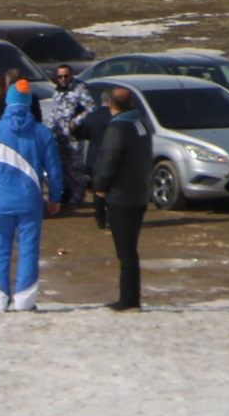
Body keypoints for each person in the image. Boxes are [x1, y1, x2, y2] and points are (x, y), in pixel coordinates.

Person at [0, 80, 64, 312]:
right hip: (31, 202)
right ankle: (24, 300)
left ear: (8, 102)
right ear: (29, 103)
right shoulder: (42, 133)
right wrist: (56, 197)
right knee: (29, 250)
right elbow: (54, 169)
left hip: (1, 203)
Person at [86, 86, 154, 311]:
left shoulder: (117, 128)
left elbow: (108, 159)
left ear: (111, 105)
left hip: (122, 195)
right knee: (130, 249)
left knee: (125, 252)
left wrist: (99, 186)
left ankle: (129, 300)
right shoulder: (141, 123)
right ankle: (131, 298)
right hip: (140, 192)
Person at [45, 65, 95, 206]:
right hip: (59, 136)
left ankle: (78, 197)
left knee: (75, 168)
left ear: (71, 75)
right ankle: (65, 194)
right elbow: (54, 112)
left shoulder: (79, 89)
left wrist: (76, 121)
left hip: (73, 137)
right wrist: (47, 131)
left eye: (66, 76)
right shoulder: (57, 91)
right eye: (60, 76)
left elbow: (91, 108)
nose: (63, 79)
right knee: (62, 167)